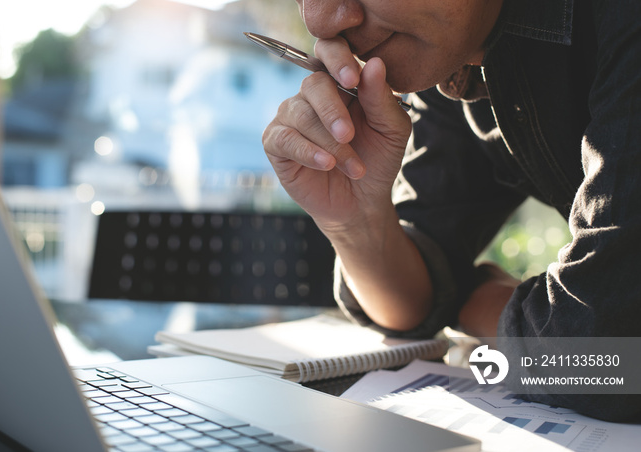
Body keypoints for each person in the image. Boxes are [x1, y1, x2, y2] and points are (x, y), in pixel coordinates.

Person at [263, 0, 641, 421]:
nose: (319, 21)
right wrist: (354, 217)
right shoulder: (458, 58)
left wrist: (474, 303)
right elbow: (409, 306)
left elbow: (608, 362)